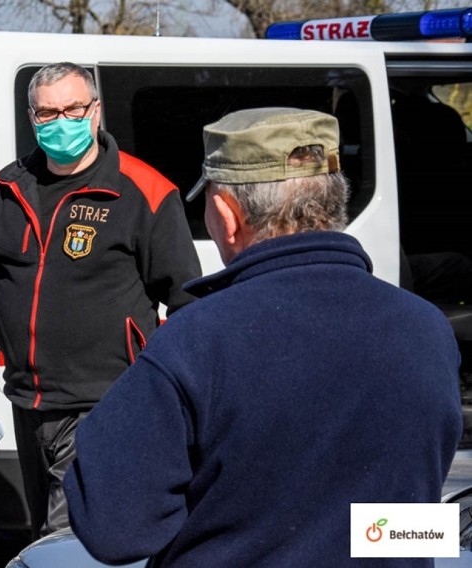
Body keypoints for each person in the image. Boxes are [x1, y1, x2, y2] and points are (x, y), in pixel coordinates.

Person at [64, 107, 463, 567]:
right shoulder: (426, 328)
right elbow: (411, 515)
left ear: (225, 215)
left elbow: (114, 530)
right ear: (334, 201)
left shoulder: (197, 342)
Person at [0, 61, 201, 539]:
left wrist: (159, 379)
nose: (62, 121)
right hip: (26, 398)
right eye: (48, 114)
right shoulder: (4, 188)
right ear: (32, 118)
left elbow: (187, 297)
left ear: (95, 111)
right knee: (45, 535)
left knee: (67, 539)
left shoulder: (143, 191)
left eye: (73, 109)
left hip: (105, 404)